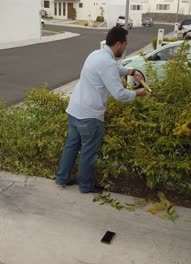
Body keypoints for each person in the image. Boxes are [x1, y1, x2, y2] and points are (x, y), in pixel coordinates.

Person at [55, 26, 147, 193]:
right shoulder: (107, 62)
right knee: (88, 153)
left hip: (75, 110)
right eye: (125, 44)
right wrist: (138, 94)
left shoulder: (95, 54)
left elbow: (113, 69)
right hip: (90, 116)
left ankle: (62, 177)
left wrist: (131, 70)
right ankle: (86, 186)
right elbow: (119, 94)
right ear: (118, 44)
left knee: (71, 146)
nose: (126, 47)